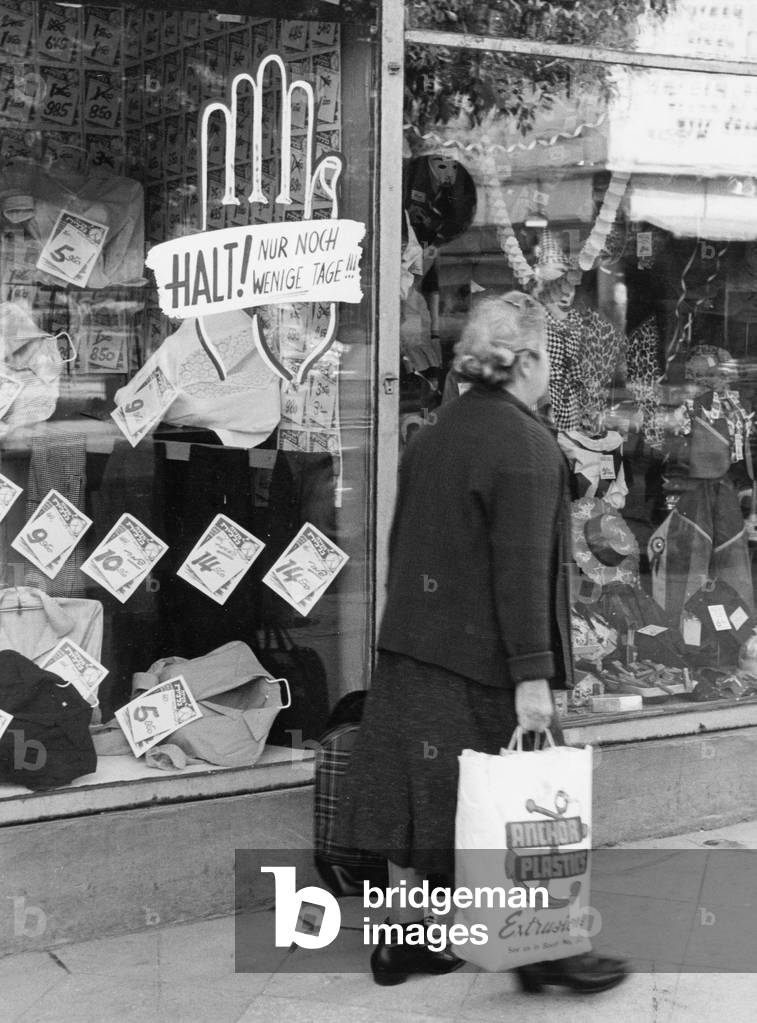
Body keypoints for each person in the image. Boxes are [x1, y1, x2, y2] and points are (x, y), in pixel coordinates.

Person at [335, 291, 627, 993]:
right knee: (523, 812)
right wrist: (534, 675)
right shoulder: (525, 445)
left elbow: (405, 547)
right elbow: (523, 573)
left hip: (416, 651)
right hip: (485, 662)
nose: (549, 370)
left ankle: (411, 943)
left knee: (444, 811)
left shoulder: (433, 434)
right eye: (547, 356)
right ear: (525, 359)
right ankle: (546, 951)